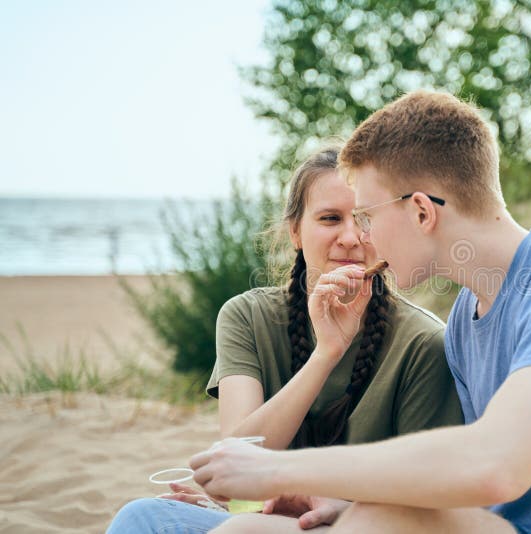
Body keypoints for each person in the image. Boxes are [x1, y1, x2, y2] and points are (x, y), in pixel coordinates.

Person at [189, 91, 531, 533]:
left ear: (421, 211)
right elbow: (474, 494)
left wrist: (279, 472)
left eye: (367, 215)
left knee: (375, 522)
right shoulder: (466, 317)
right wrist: (340, 501)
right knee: (248, 528)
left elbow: (494, 464)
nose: (359, 238)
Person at [106, 146, 463, 534]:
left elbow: (428, 501)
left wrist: (333, 506)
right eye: (330, 218)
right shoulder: (246, 317)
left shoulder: (424, 343)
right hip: (261, 520)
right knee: (141, 517)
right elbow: (239, 465)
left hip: (353, 526)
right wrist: (325, 354)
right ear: (295, 230)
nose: (350, 237)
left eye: (365, 219)